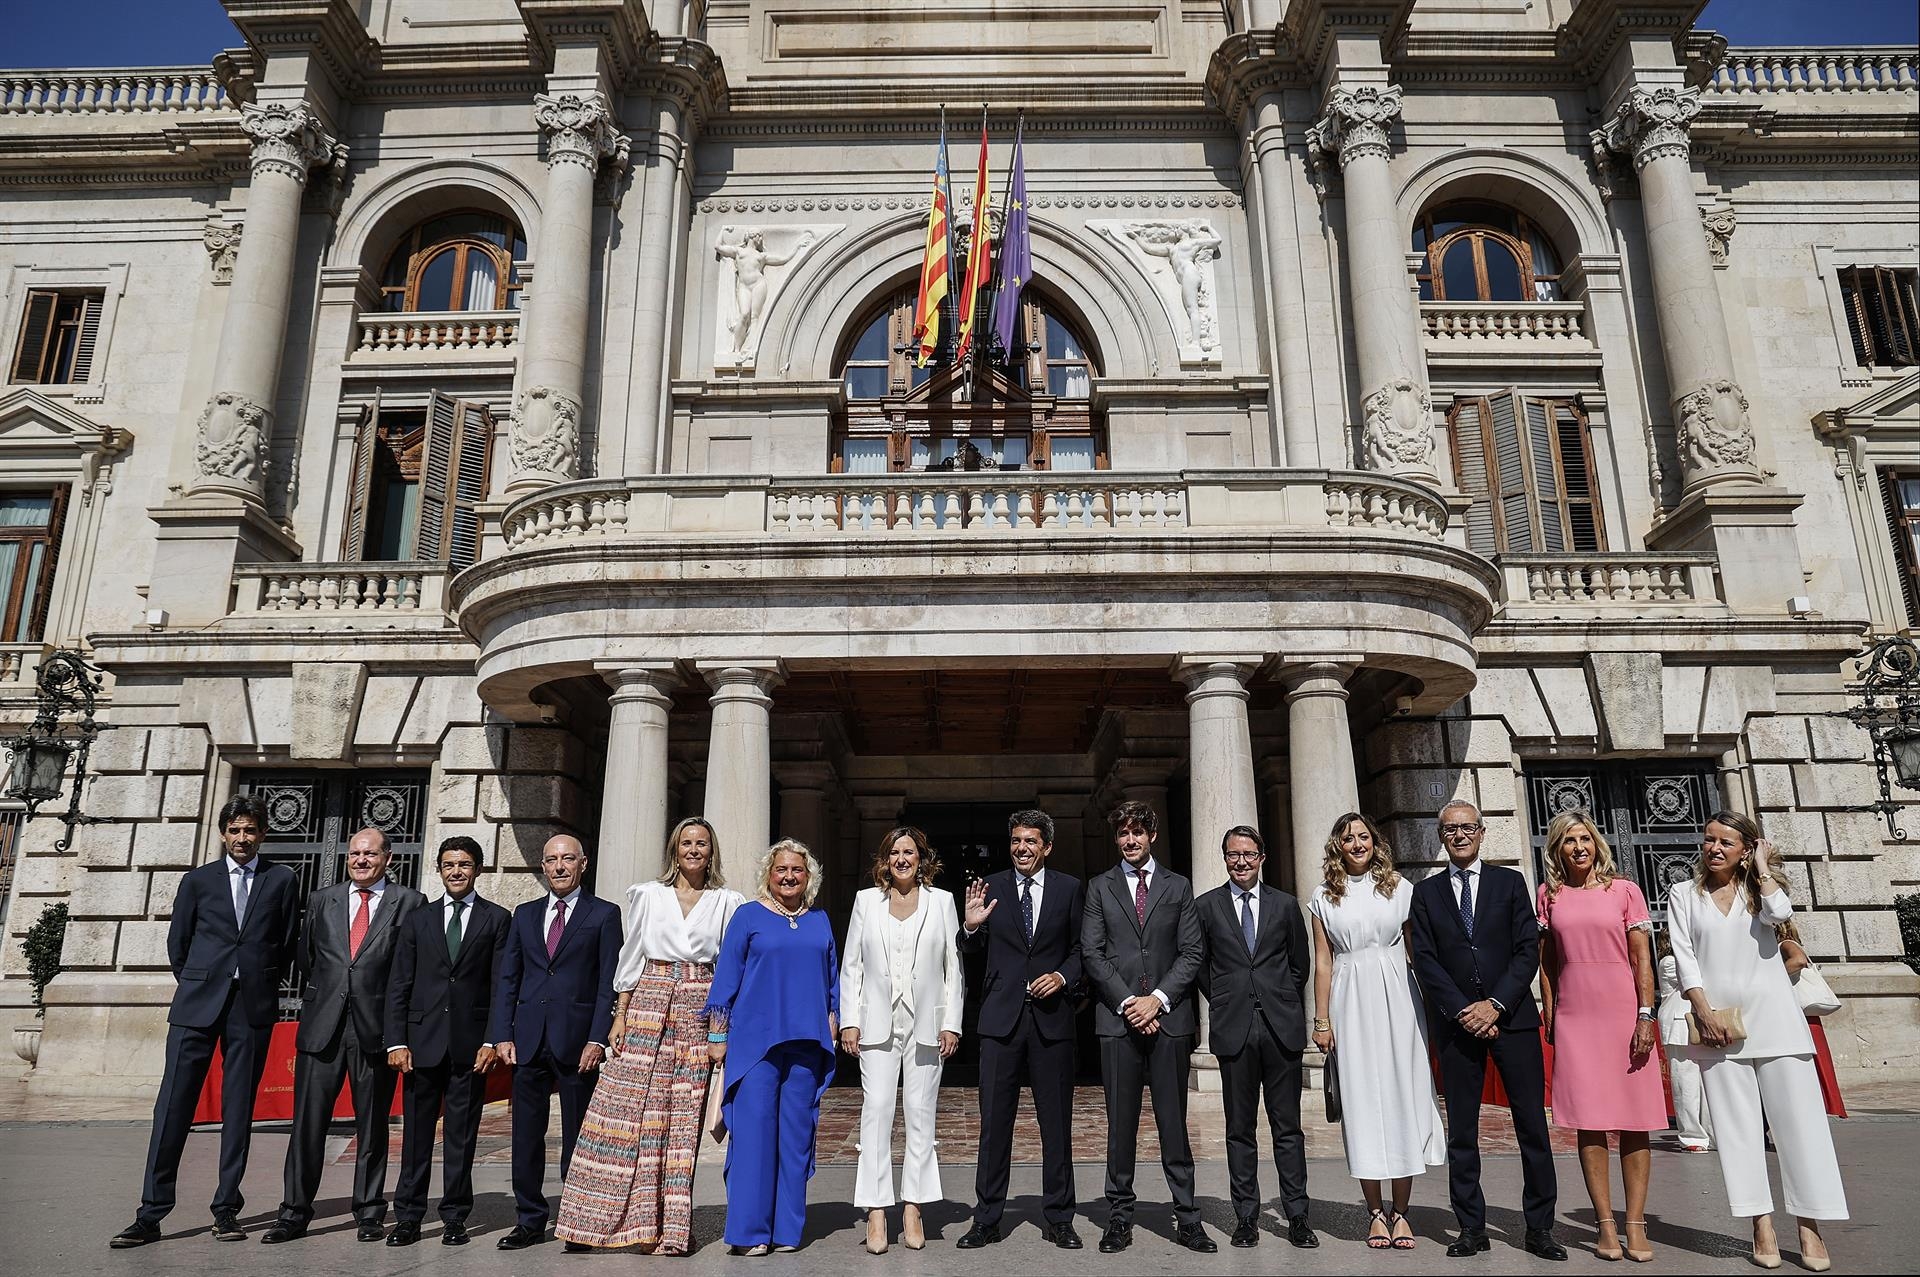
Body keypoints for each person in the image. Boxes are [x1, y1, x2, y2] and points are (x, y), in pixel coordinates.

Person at [112, 796, 302, 1248]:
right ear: (223, 834)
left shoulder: (282, 880)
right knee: (173, 1108)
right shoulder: (198, 880)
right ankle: (150, 1214)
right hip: (197, 1005)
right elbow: (178, 942)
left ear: (263, 835)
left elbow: (288, 941)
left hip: (251, 1008)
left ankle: (226, 1210)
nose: (242, 838)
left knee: (239, 1112)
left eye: (251, 830)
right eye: (235, 830)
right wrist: (203, 981)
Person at [1666, 811, 1846, 1271]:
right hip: (1719, 1026)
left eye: (1726, 841)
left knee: (1801, 1130)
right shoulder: (1683, 894)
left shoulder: (1760, 893)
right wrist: (1702, 1012)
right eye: (1709, 840)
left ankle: (1810, 1226)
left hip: (1778, 1022)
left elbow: (1780, 915)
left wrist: (1762, 870)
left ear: (1746, 848)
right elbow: (1685, 958)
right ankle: (1760, 1224)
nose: (1714, 848)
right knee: (1736, 1131)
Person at [556, 817, 744, 1255]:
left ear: (711, 851)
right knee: (627, 1116)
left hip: (700, 1004)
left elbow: (729, 969)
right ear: (674, 850)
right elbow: (633, 954)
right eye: (686, 843)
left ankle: (674, 1230)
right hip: (648, 1001)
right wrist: (619, 1016)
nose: (693, 850)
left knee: (683, 1123)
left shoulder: (727, 902)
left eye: (701, 844)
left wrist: (722, 1029)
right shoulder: (648, 895)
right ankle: (627, 1224)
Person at [1408, 800, 1565, 1261]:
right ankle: (1471, 1227)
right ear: (1441, 837)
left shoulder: (1510, 883)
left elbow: (1526, 952)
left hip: (1512, 1020)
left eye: (1467, 828)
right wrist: (1462, 1010)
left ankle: (1540, 1228)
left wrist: (1494, 1005)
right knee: (1462, 1131)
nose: (1459, 835)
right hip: (1457, 1028)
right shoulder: (1427, 893)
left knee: (1532, 1126)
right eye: (1450, 829)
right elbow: (1426, 961)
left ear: (1481, 832)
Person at [264, 826, 426, 1243]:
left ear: (388, 858)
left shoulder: (410, 903)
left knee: (372, 1127)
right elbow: (307, 957)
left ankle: (369, 1212)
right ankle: (294, 1212)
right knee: (307, 1125)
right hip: (322, 1027)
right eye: (354, 853)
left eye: (370, 854)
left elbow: (411, 967)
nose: (360, 860)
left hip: (375, 1030)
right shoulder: (322, 900)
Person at [1307, 812, 1443, 1252]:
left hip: (1398, 997)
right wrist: (1321, 1019)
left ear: (1374, 842)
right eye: (1349, 839)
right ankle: (1374, 1213)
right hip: (1349, 999)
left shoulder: (1400, 889)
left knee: (1403, 1096)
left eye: (1364, 836)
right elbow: (1323, 961)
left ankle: (1401, 1212)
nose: (1358, 844)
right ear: (1337, 847)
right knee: (1362, 1103)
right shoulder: (1324, 897)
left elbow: (1418, 950)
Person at [1080, 801, 1212, 1254]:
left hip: (1168, 1021)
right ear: (1116, 838)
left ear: (1152, 835)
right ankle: (1119, 1218)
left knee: (1173, 1124)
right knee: (1120, 1127)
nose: (1130, 840)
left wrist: (1155, 1001)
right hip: (1118, 1025)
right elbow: (1092, 953)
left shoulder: (1178, 887)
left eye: (1138, 832)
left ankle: (1188, 1217)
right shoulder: (1100, 887)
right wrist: (1127, 1003)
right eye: (1123, 834)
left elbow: (1191, 953)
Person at [1534, 811, 1665, 1263]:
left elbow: (1641, 959)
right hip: (1576, 1015)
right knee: (1589, 1120)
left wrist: (1646, 1014)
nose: (1579, 847)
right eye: (1569, 840)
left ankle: (1636, 1223)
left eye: (1585, 838)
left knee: (1634, 1119)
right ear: (1557, 848)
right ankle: (1605, 1223)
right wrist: (1549, 1011)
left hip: (1624, 1009)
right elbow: (1547, 961)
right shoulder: (1549, 895)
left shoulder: (1625, 891)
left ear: (1597, 843)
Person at [956, 808, 1086, 1250]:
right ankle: (987, 1218)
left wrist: (1064, 977)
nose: (1022, 848)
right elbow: (969, 959)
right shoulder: (988, 887)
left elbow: (1080, 950)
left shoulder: (1070, 889)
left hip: (1052, 1023)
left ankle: (1060, 1218)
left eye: (1031, 841)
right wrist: (970, 929)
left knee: (1056, 1125)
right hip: (1000, 1020)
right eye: (1016, 841)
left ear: (1046, 846)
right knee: (994, 1125)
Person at [488, 834, 623, 1251]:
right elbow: (507, 979)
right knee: (526, 1137)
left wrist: (598, 1039)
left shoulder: (604, 914)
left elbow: (608, 983)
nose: (560, 866)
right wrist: (501, 1034)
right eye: (551, 860)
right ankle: (529, 1220)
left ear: (584, 864)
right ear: (542, 867)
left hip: (577, 1041)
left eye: (568, 859)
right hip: (528, 1040)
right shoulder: (524, 914)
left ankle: (577, 1221)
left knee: (579, 1138)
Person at [705, 839, 839, 1256]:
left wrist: (835, 1017)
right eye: (781, 869)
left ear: (809, 876)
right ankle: (749, 1233)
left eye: (797, 870)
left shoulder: (819, 920)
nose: (788, 876)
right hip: (755, 1045)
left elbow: (832, 979)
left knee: (795, 1138)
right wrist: (716, 1038)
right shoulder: (748, 917)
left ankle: (785, 1231)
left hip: (806, 1043)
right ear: (769, 873)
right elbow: (725, 979)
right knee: (753, 1138)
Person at [840, 826, 964, 1254]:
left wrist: (952, 1022)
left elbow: (953, 968)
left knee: (919, 1112)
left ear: (922, 858)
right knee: (876, 1110)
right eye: (894, 852)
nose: (902, 858)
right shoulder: (865, 902)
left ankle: (913, 1205)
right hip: (876, 1021)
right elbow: (851, 964)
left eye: (909, 852)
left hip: (926, 1023)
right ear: (885, 859)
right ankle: (876, 1210)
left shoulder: (942, 902)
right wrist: (849, 1020)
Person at [383, 835, 509, 1247]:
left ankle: (455, 1216)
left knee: (461, 1135)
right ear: (439, 870)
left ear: (478, 869)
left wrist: (492, 1040)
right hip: (420, 1045)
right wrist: (395, 1041)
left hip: (469, 1047)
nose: (457, 871)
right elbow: (399, 983)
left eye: (465, 864)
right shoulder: (419, 919)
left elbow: (499, 986)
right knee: (416, 1135)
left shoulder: (496, 919)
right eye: (449, 864)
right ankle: (408, 1216)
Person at [1197, 824, 1317, 1250]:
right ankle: (1245, 1216)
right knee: (1239, 1130)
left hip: (1280, 1028)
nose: (1241, 861)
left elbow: (1299, 962)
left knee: (1288, 1129)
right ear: (1225, 858)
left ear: (1261, 857)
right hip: (1234, 1030)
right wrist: (1231, 999)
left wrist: (1278, 995)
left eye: (1249, 854)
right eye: (1233, 854)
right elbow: (1200, 966)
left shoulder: (1284, 905)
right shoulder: (1206, 907)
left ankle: (1298, 1216)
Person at [1773, 919, 1847, 1119]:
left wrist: (1771, 978)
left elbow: (1798, 961)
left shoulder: (1785, 944)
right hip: (1805, 1018)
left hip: (1800, 1019)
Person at [1655, 928, 1714, 1152]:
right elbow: (1691, 985)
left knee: (1704, 1082)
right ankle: (1692, 1135)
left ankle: (1710, 1132)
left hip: (1695, 1023)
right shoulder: (1669, 962)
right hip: (1678, 1023)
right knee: (1685, 1083)